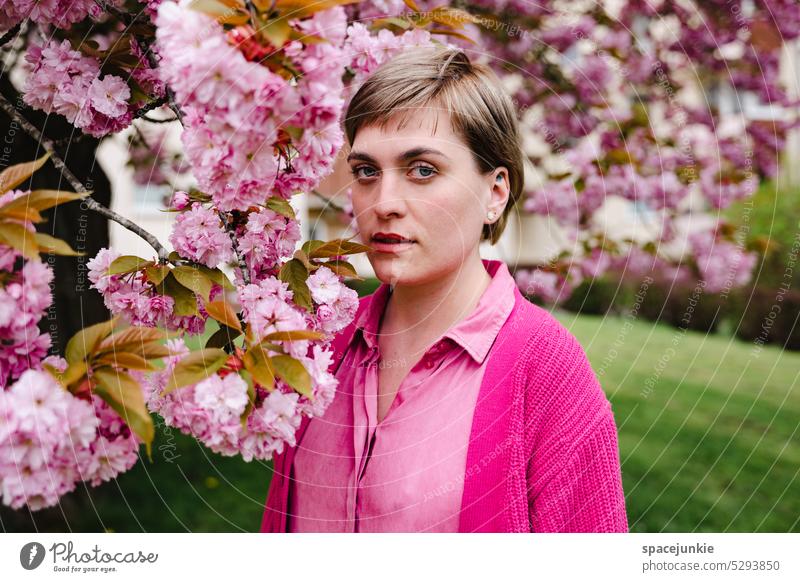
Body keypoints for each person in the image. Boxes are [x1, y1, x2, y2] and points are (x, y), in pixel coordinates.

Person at [260, 45, 628, 533]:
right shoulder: (322, 343)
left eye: (423, 170)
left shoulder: (546, 372)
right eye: (367, 171)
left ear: (495, 193)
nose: (384, 203)